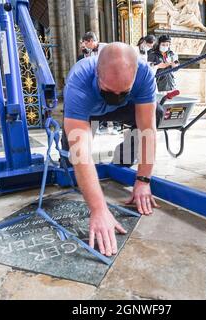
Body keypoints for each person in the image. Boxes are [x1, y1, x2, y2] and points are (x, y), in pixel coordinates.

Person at [62, 43, 162, 257]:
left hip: (122, 111)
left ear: (135, 75)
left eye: (123, 91)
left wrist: (144, 180)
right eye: (109, 90)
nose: (116, 94)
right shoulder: (79, 80)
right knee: (72, 159)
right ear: (97, 73)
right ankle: (72, 175)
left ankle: (122, 160)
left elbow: (147, 130)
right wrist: (98, 209)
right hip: (88, 111)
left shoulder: (144, 76)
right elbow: (82, 153)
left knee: (157, 113)